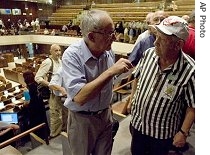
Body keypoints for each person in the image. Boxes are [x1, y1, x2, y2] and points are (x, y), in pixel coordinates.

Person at [62, 9, 133, 155]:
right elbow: (80, 97)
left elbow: (108, 82)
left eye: (113, 31)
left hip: (106, 115)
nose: (114, 37)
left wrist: (122, 73)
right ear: (91, 36)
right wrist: (111, 71)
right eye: (109, 33)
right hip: (82, 120)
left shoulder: (108, 51)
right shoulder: (72, 55)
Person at [129, 16, 195, 155]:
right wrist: (132, 99)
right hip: (138, 125)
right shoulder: (148, 54)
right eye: (156, 37)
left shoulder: (190, 70)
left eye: (162, 39)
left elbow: (193, 105)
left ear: (178, 45)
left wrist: (183, 132)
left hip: (162, 134)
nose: (155, 42)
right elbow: (137, 76)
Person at [35, 44, 62, 138]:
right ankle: (54, 135)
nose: (58, 52)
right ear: (51, 52)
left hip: (61, 92)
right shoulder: (48, 62)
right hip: (52, 93)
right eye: (56, 50)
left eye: (59, 50)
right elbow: (37, 77)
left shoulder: (60, 61)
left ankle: (61, 132)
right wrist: (50, 85)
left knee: (62, 114)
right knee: (54, 114)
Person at [23, 70, 50, 139]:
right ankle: (46, 134)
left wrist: (22, 105)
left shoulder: (26, 89)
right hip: (41, 106)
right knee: (43, 120)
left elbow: (27, 102)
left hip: (33, 110)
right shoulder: (37, 84)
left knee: (35, 123)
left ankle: (38, 138)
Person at [48, 67, 68, 132]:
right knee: (69, 116)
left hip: (66, 97)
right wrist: (62, 90)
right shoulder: (61, 70)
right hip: (63, 97)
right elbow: (51, 84)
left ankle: (65, 130)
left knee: (65, 115)